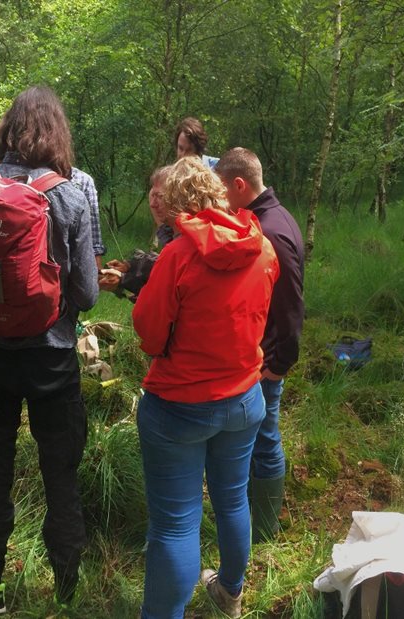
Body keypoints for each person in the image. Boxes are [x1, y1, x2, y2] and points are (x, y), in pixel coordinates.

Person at [0, 86, 99, 615]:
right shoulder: (70, 194)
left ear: (7, 130)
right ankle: (65, 593)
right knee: (60, 472)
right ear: (56, 132)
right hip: (53, 359)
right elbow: (85, 291)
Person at [132, 157, 278, 618]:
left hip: (179, 407)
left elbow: (151, 335)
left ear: (176, 204)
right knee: (233, 498)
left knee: (176, 525)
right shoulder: (264, 248)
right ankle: (229, 592)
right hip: (244, 398)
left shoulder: (177, 256)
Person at [215, 147, 305, 543]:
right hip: (259, 355)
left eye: (221, 190)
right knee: (257, 439)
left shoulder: (271, 229)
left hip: (266, 359)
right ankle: (253, 518)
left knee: (266, 439)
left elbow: (290, 307)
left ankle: (263, 530)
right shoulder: (266, 217)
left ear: (239, 185)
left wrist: (279, 363)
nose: (218, 198)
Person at [99, 166, 170, 300]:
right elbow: (159, 262)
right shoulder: (169, 230)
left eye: (159, 196)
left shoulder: (185, 238)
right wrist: (130, 266)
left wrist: (124, 279)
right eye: (152, 195)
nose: (153, 204)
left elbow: (166, 281)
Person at [158, 117, 220, 247]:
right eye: (180, 149)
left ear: (199, 151)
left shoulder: (215, 172)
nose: (183, 156)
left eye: (189, 151)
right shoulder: (173, 174)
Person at [70, 166, 107, 268]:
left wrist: (97, 267)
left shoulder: (83, 180)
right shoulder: (25, 178)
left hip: (74, 259)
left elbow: (93, 225)